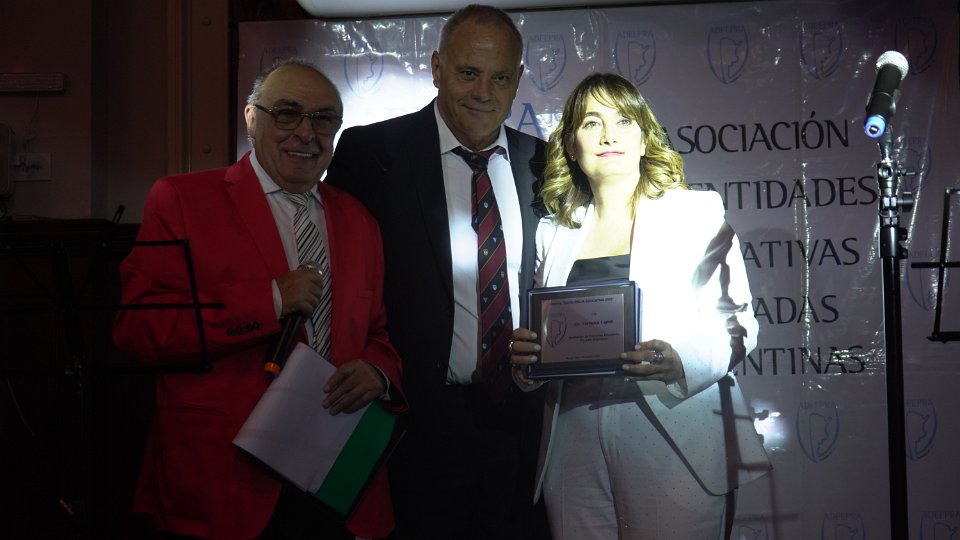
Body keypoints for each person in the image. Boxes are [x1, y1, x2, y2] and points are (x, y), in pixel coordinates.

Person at [113, 58, 407, 540]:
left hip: (335, 476)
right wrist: (270, 301)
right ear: (252, 118)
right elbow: (138, 329)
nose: (306, 133)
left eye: (323, 119)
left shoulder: (360, 220)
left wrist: (378, 371)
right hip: (226, 477)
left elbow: (377, 334)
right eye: (287, 114)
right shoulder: (181, 200)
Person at [508, 72, 772, 540]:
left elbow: (739, 325)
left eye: (623, 121)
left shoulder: (695, 212)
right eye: (592, 123)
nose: (608, 135)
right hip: (573, 438)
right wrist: (528, 364)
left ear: (645, 136)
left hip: (674, 427)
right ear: (570, 145)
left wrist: (679, 361)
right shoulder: (553, 232)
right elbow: (544, 338)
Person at [325, 5, 548, 539]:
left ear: (518, 80)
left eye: (500, 77)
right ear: (436, 68)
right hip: (411, 431)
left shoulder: (546, 165)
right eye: (468, 72)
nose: (483, 92)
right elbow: (339, 282)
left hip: (522, 430)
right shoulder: (372, 153)